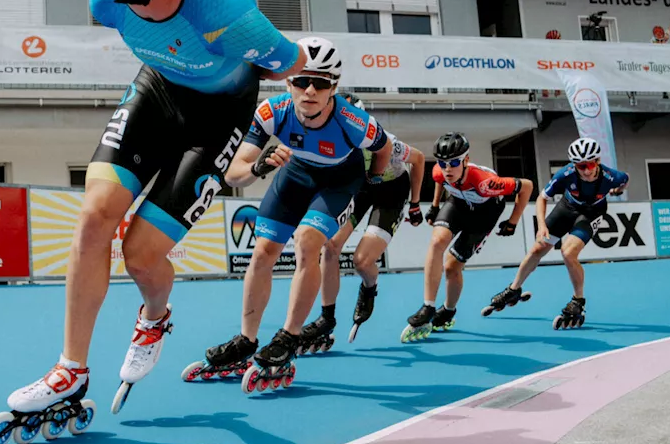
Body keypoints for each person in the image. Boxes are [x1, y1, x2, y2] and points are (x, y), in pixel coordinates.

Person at [0, 0, 307, 444]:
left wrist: (264, 65)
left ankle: (155, 316)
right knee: (94, 213)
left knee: (140, 253)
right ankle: (71, 369)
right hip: (158, 93)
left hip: (217, 120)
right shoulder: (105, 1)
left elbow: (290, 62)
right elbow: (158, 46)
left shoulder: (224, 7)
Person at [183, 37, 391, 394]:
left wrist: (372, 180)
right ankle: (247, 340)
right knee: (263, 252)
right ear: (288, 82)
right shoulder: (271, 112)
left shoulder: (353, 120)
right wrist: (259, 166)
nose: (309, 90)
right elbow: (233, 172)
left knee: (308, 241)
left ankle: (288, 337)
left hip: (340, 180)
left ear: (333, 89)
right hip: (295, 175)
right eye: (300, 81)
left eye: (320, 83)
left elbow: (383, 148)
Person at [303, 94, 426, 346]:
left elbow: (420, 158)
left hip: (391, 191)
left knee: (361, 262)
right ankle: (326, 318)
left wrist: (415, 203)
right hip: (361, 190)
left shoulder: (387, 142)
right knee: (330, 246)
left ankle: (370, 287)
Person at [401, 132, 533, 343]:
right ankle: (428, 306)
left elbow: (526, 186)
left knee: (453, 267)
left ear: (466, 160)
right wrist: (435, 206)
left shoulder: (485, 182)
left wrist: (513, 222)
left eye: (454, 163)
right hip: (459, 203)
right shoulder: (439, 171)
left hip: (486, 212)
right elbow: (439, 180)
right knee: (436, 242)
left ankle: (449, 310)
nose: (448, 169)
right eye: (443, 163)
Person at [487, 137, 628, 330]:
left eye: (590, 164)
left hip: (591, 213)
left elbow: (624, 181)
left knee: (569, 252)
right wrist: (542, 225)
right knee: (538, 248)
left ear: (598, 161)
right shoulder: (565, 174)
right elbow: (541, 198)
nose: (586, 170)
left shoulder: (613, 176)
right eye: (580, 166)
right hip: (566, 208)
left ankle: (578, 300)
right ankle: (513, 289)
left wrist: (617, 190)